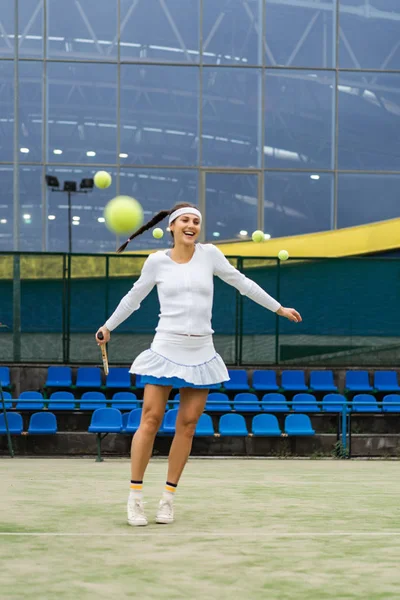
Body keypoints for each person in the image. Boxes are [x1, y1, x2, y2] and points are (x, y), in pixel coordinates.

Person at [96, 203, 302, 527]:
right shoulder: (156, 262)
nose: (192, 225)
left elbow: (243, 283)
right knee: (150, 419)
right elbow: (133, 298)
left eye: (196, 221)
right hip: (166, 347)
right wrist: (108, 326)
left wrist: (279, 308)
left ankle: (167, 499)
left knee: (188, 425)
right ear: (173, 227)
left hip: (201, 349)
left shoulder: (211, 255)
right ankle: (135, 497)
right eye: (186, 221)